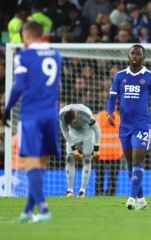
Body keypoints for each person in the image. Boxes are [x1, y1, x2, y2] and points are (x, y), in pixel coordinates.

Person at [1, 21, 62, 223]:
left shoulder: (24, 56)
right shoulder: (56, 54)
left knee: (30, 162)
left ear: (26, 36)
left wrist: (7, 109)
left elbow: (18, 86)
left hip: (31, 114)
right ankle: (28, 211)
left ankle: (43, 209)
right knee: (40, 164)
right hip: (51, 114)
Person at [107, 44, 151, 210]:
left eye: (139, 54)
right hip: (124, 126)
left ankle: (131, 198)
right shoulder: (120, 76)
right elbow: (111, 98)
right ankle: (142, 199)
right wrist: (110, 112)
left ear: (143, 57)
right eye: (133, 53)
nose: (135, 56)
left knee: (138, 160)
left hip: (142, 125)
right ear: (129, 55)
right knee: (130, 164)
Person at [59, 104, 100, 198]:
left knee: (87, 159)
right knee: (69, 158)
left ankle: (82, 191)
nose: (72, 124)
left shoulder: (85, 114)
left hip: (88, 134)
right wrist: (74, 149)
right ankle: (69, 191)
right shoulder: (61, 116)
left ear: (75, 117)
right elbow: (65, 131)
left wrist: (96, 148)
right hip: (73, 134)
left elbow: (97, 129)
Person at [94, 110, 123, 196]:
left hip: (101, 153)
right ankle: (111, 195)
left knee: (99, 177)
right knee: (113, 178)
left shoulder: (97, 116)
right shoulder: (120, 118)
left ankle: (98, 195)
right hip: (115, 154)